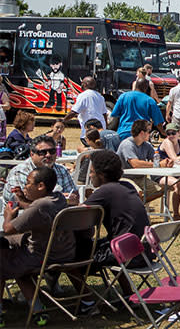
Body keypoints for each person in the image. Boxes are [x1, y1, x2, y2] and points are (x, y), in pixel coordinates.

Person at [0, 167, 73, 326]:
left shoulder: (39, 206)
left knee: (3, 261)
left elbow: (8, 229)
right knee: (13, 255)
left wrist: (8, 216)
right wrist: (22, 200)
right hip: (63, 252)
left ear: (40, 186)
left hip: (41, 256)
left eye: (28, 183)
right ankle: (38, 310)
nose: (25, 186)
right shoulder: (58, 198)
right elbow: (36, 210)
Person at [83, 149, 151, 268]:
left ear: (101, 175)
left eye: (92, 172)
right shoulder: (127, 186)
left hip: (126, 255)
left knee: (74, 255)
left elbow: (76, 216)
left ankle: (79, 281)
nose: (90, 175)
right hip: (144, 253)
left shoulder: (105, 191)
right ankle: (123, 281)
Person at [1, 135, 77, 208]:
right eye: (43, 152)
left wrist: (68, 199)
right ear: (32, 154)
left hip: (57, 214)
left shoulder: (61, 170)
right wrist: (59, 199)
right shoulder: (19, 172)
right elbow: (21, 202)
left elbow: (75, 197)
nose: (48, 155)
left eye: (52, 151)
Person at [117, 119, 170, 204]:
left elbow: (156, 159)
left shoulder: (147, 145)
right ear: (142, 133)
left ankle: (138, 205)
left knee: (160, 190)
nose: (150, 134)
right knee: (139, 193)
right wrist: (158, 164)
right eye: (149, 131)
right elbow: (135, 164)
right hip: (125, 178)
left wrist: (166, 162)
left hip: (140, 178)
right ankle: (136, 206)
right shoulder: (127, 144)